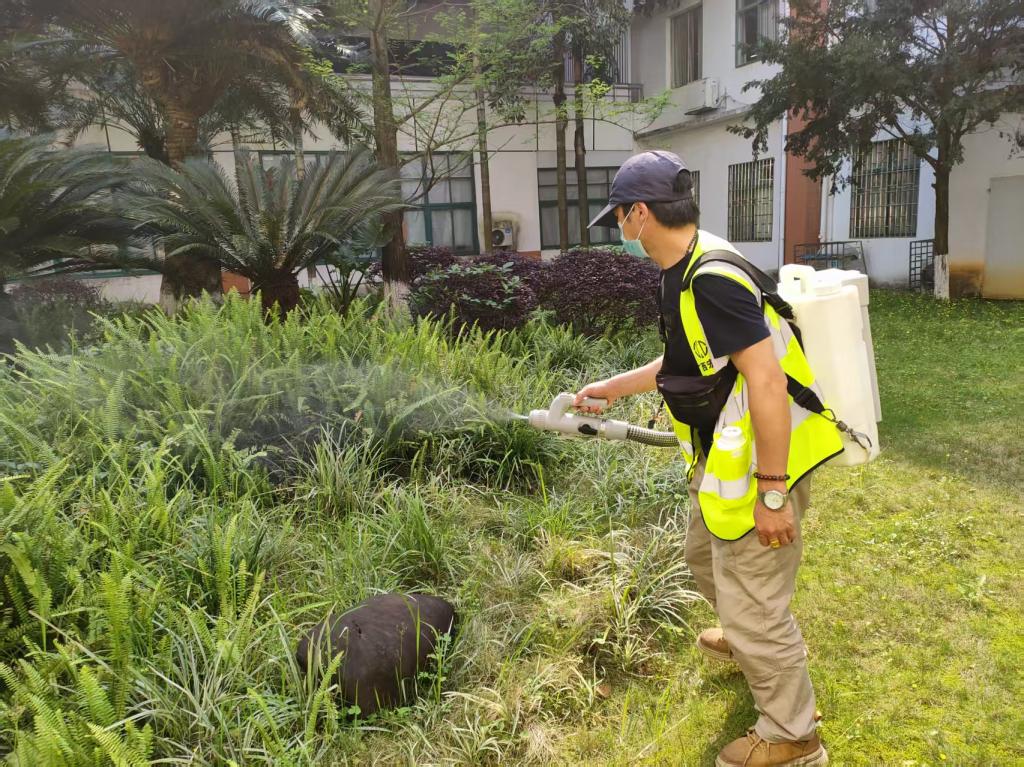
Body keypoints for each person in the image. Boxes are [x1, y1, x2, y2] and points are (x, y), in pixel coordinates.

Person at [575, 150, 840, 767]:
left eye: (619, 217)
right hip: (725, 456)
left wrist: (772, 493)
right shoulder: (684, 266)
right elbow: (688, 363)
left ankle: (792, 736)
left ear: (641, 213)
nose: (620, 229)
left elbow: (767, 383)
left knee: (753, 598)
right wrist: (610, 389)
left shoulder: (710, 278)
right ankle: (755, 643)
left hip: (766, 460)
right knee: (703, 557)